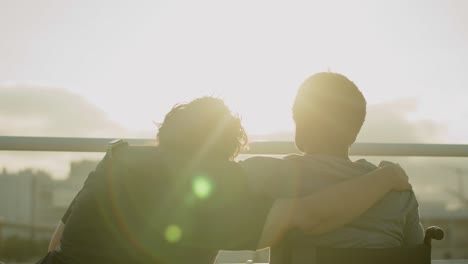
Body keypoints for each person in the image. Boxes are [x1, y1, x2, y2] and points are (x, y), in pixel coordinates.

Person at [41, 97, 411, 264]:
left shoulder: (115, 159)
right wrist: (386, 177)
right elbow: (308, 215)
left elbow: (58, 243)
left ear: (165, 136)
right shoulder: (212, 188)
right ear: (222, 155)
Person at [244, 72, 423, 248]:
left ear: (301, 124)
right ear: (354, 132)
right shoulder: (400, 191)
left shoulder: (272, 176)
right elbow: (417, 256)